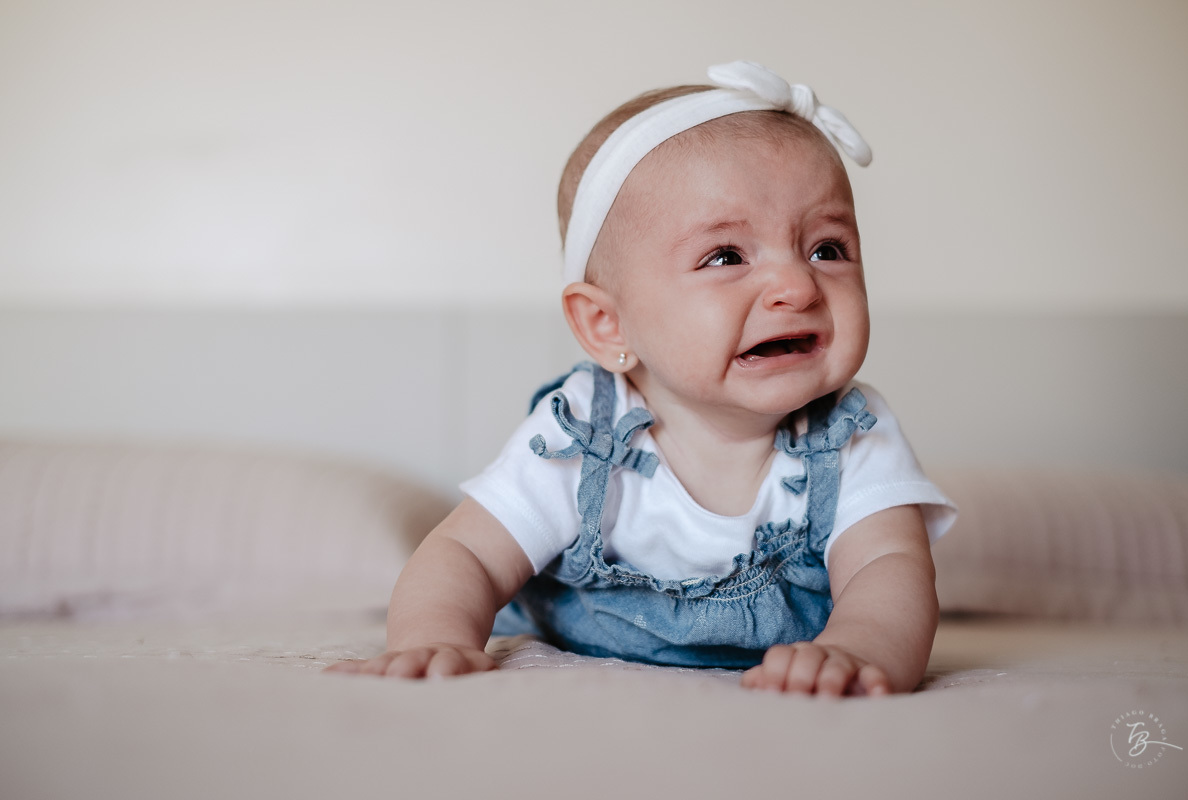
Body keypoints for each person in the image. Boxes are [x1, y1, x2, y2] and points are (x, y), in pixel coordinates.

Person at [326, 61, 955, 695]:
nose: (798, 286)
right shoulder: (583, 429)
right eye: (726, 256)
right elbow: (468, 553)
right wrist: (435, 636)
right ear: (608, 326)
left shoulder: (851, 433)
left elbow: (888, 567)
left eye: (827, 249)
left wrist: (859, 648)